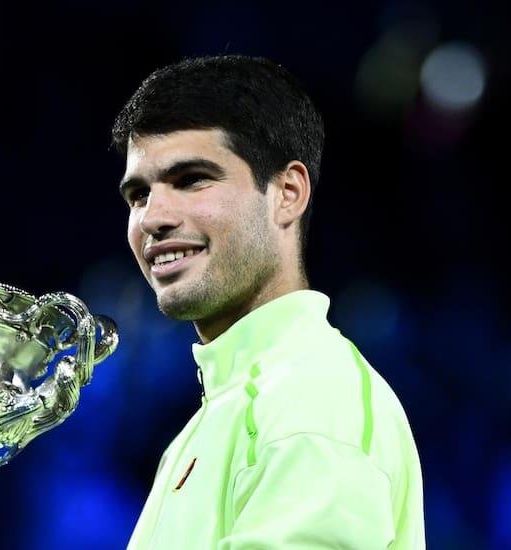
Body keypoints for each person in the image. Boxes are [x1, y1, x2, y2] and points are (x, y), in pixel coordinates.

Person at [112, 55, 425, 549]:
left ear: (287, 193)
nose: (153, 218)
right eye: (138, 195)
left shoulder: (312, 401)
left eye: (192, 179)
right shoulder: (218, 418)